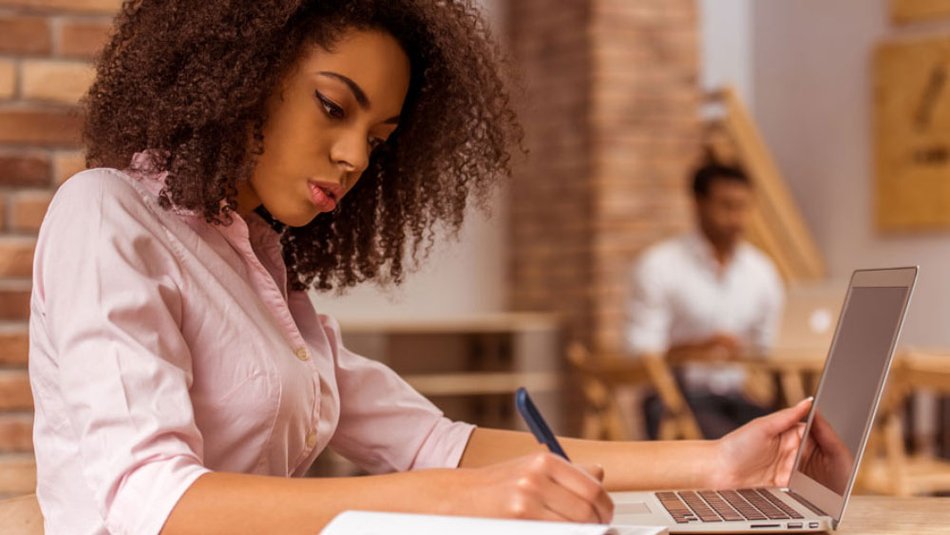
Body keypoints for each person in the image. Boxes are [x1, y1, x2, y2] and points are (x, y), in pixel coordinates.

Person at [29, 2, 809, 534]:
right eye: (333, 106)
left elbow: (438, 443)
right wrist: (459, 498)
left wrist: (718, 461)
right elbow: (150, 500)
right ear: (244, 72)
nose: (352, 157)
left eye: (378, 138)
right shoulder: (107, 215)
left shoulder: (264, 271)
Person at [626, 163, 785, 439]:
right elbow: (639, 352)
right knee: (736, 443)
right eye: (726, 206)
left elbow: (769, 342)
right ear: (698, 204)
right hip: (676, 400)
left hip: (737, 398)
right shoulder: (660, 265)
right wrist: (697, 348)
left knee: (796, 435)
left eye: (743, 207)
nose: (736, 217)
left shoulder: (761, 270)